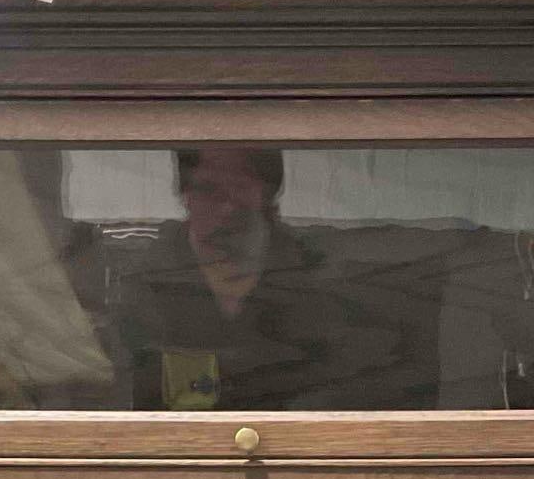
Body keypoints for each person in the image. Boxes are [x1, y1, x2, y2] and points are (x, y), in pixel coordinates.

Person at [113, 144, 441, 412]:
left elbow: (345, 393)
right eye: (209, 189)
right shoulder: (140, 284)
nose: (227, 207)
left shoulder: (321, 278)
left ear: (268, 190)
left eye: (239, 187)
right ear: (184, 192)